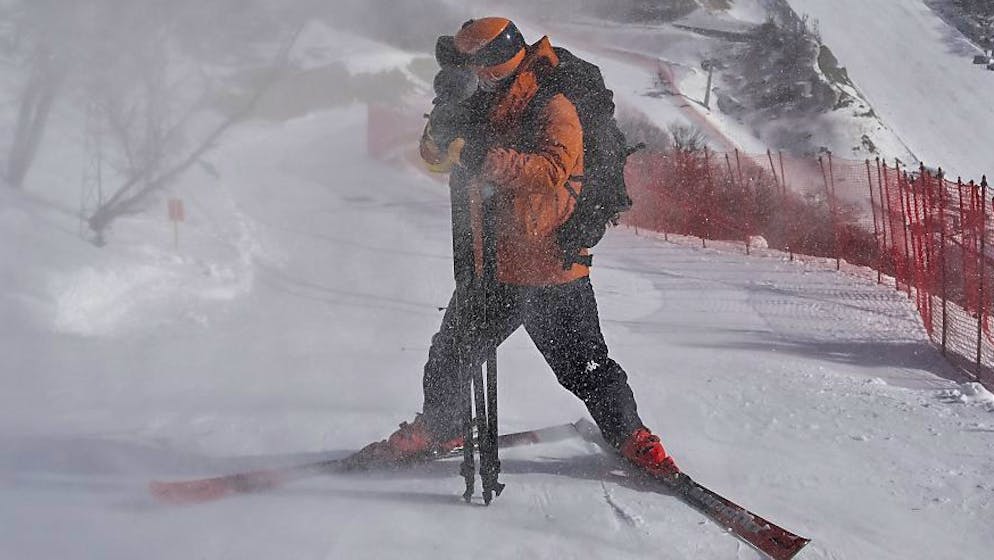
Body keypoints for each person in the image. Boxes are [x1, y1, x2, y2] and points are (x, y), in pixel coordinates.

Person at [354, 17, 678, 478]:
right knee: (451, 353)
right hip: (489, 262)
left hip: (549, 261)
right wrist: (440, 127)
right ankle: (441, 425)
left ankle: (632, 436)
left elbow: (550, 171)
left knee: (583, 365)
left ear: (512, 62)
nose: (488, 81)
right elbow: (434, 158)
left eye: (495, 73)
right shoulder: (474, 100)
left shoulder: (553, 101)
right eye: (481, 73)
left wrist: (480, 157)